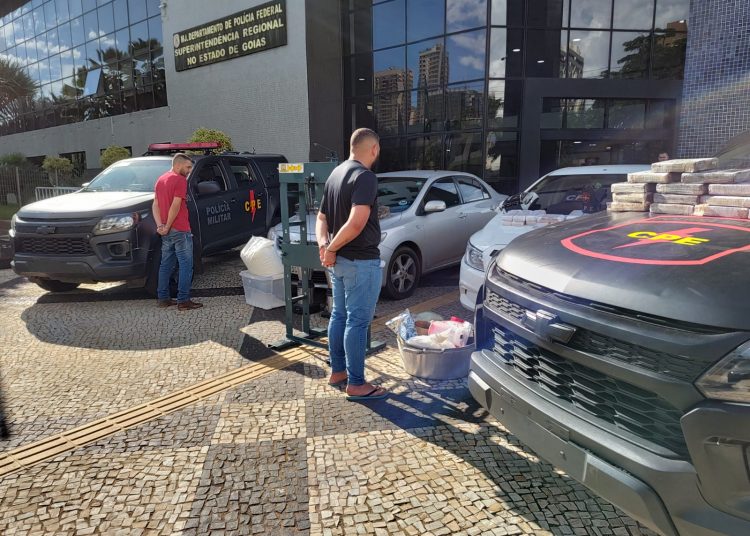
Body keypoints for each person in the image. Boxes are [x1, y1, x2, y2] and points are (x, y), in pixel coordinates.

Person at [316, 128, 386, 401]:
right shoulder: (365, 177)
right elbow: (357, 223)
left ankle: (338, 372)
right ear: (374, 149)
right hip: (360, 261)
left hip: (340, 262)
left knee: (339, 317)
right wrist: (329, 248)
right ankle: (356, 384)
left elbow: (321, 218)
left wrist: (325, 246)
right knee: (357, 323)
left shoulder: (335, 174)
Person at [152, 153, 203, 311]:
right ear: (178, 165)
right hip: (180, 229)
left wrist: (160, 225)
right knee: (186, 265)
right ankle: (183, 300)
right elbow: (175, 205)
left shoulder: (161, 179)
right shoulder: (180, 180)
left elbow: (155, 204)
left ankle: (163, 298)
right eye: (188, 167)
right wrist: (167, 225)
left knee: (166, 264)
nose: (189, 171)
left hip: (166, 230)